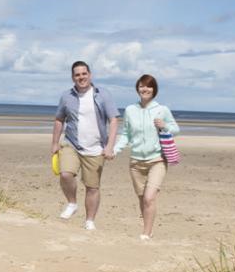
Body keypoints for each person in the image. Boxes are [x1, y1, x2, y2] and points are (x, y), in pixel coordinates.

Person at [50, 60, 119, 230]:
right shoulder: (67, 96)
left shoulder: (103, 94)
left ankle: (89, 221)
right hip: (71, 144)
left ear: (90, 75)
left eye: (84, 73)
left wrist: (110, 146)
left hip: (96, 149)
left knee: (92, 187)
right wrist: (54, 143)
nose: (81, 77)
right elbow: (59, 119)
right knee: (65, 174)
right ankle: (72, 203)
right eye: (77, 75)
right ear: (73, 77)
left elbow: (113, 120)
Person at [112, 74, 179, 240]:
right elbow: (126, 134)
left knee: (149, 197)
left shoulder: (162, 110)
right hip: (135, 162)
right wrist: (115, 150)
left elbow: (175, 128)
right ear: (137, 88)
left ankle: (146, 233)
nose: (145, 89)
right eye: (142, 86)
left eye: (149, 86)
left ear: (154, 90)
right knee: (142, 199)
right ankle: (148, 228)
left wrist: (165, 126)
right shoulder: (130, 110)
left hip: (157, 160)